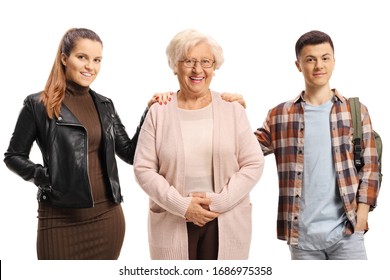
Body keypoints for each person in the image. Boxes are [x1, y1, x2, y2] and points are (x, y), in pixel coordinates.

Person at [3, 27, 172, 260]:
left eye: (97, 60)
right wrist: (47, 177)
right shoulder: (38, 105)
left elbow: (131, 153)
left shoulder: (105, 105)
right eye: (82, 57)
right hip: (58, 219)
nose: (90, 66)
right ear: (64, 58)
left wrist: (149, 111)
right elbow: (13, 156)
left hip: (107, 217)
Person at [133, 29, 264, 260]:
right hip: (172, 219)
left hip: (226, 218)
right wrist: (182, 205)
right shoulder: (159, 112)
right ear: (175, 66)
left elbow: (253, 163)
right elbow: (143, 169)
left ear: (215, 67)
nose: (198, 70)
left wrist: (219, 202)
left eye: (205, 62)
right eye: (189, 61)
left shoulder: (232, 109)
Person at [254, 30, 380, 260]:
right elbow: (245, 149)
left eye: (325, 58)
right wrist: (229, 106)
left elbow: (371, 167)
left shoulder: (355, 111)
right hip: (302, 238)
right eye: (310, 59)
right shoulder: (280, 115)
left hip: (347, 232)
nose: (318, 65)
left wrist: (362, 214)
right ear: (298, 65)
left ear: (334, 61)